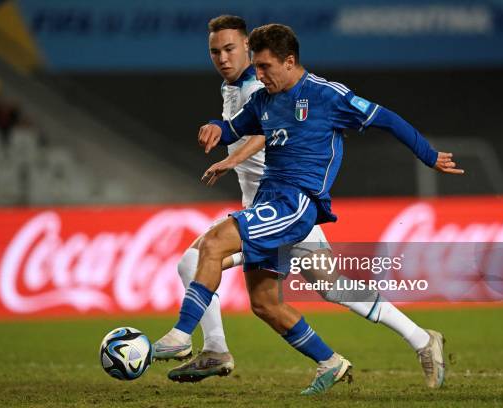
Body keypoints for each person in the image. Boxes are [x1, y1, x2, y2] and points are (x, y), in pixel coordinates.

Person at [158, 22, 463, 395]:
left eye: (266, 66)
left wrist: (429, 156)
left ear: (289, 62)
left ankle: (186, 338)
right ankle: (378, 350)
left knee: (209, 248)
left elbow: (387, 119)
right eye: (256, 66)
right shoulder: (261, 98)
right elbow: (235, 126)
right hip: (268, 205)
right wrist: (215, 128)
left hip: (294, 205)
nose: (260, 73)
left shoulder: (325, 95)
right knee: (270, 301)